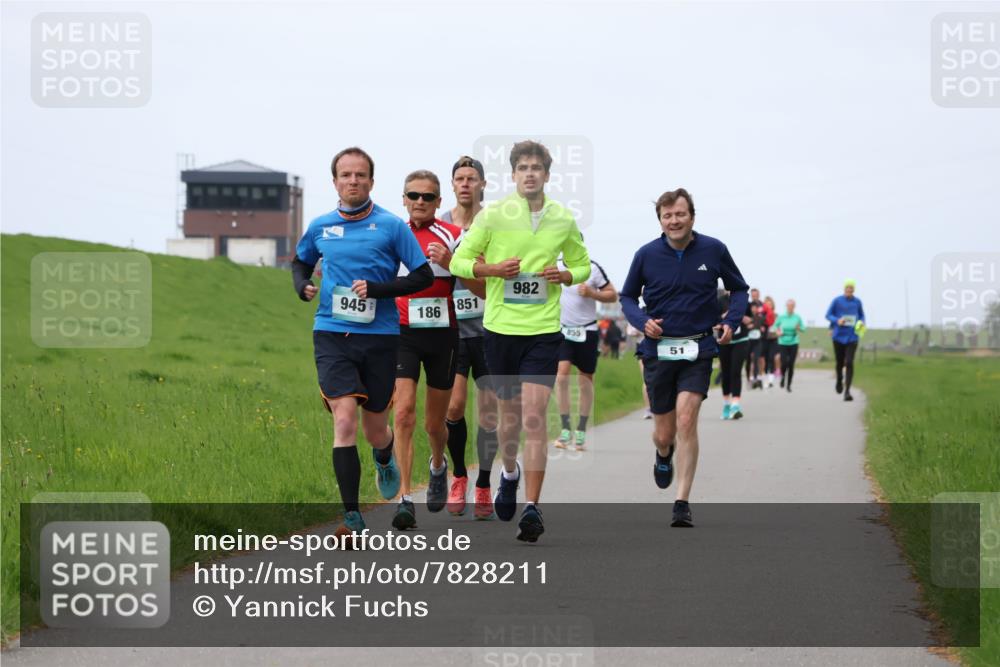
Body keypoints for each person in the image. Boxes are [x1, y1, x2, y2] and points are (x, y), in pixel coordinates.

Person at [450, 140, 591, 542]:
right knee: (509, 421)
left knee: (533, 417)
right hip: (500, 331)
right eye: (523, 167)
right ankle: (508, 472)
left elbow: (581, 264)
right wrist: (492, 268)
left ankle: (532, 507)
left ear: (547, 174)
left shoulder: (563, 219)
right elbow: (460, 262)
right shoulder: (493, 215)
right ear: (513, 175)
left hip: (544, 332)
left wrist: (566, 276)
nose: (530, 173)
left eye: (537, 168)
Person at [291, 147, 433, 538]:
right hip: (332, 332)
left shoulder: (390, 226)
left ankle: (384, 456)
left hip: (381, 338)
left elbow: (421, 277)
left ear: (371, 181)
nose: (353, 181)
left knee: (375, 430)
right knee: (344, 419)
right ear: (335, 181)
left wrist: (379, 289)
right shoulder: (320, 226)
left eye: (360, 175)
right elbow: (300, 260)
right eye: (346, 175)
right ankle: (352, 516)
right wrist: (302, 284)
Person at [621, 187, 748, 528]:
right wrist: (641, 321)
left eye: (680, 214)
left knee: (687, 418)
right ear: (660, 221)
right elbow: (628, 297)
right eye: (668, 216)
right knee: (664, 434)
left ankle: (682, 501)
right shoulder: (646, 255)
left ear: (692, 216)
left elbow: (739, 289)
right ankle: (664, 455)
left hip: (699, 348)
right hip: (658, 351)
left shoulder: (714, 249)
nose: (674, 221)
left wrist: (730, 322)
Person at [389, 170, 463, 530]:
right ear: (403, 198)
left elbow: (479, 285)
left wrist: (451, 263)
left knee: (435, 423)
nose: (420, 202)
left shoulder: (454, 235)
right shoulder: (393, 233)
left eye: (428, 197)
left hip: (441, 335)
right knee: (403, 413)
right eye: (413, 195)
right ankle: (405, 498)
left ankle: (438, 464)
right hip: (402, 333)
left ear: (439, 202)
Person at [441, 156, 498, 520]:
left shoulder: (495, 223)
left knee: (489, 414)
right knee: (454, 407)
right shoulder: (441, 224)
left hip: (490, 329)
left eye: (471, 178)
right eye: (459, 178)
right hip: (452, 330)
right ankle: (460, 475)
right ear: (453, 185)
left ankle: (485, 483)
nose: (465, 184)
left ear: (482, 184)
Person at [554, 257, 617, 451]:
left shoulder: (593, 267)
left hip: (587, 330)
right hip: (562, 329)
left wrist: (592, 293)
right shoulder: (554, 265)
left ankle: (581, 430)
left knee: (585, 380)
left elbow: (612, 295)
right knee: (561, 376)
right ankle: (565, 429)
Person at [825, 280, 866, 401]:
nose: (849, 290)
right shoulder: (837, 301)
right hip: (838, 336)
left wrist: (862, 322)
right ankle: (839, 379)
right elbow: (828, 315)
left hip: (852, 336)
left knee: (849, 362)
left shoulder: (857, 302)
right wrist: (837, 320)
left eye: (851, 288)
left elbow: (862, 315)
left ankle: (847, 391)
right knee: (839, 362)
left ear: (854, 290)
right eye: (847, 288)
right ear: (844, 289)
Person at [717, 289, 752, 419]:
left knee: (736, 371)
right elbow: (714, 319)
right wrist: (726, 315)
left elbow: (750, 321)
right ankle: (726, 404)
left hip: (741, 340)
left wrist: (740, 316)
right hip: (724, 340)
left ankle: (735, 405)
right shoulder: (720, 301)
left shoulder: (744, 302)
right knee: (726, 372)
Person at [775, 299, 806, 392]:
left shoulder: (797, 317)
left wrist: (799, 328)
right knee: (784, 363)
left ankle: (788, 385)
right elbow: (775, 326)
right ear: (786, 306)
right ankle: (783, 378)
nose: (790, 308)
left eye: (792, 306)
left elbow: (804, 329)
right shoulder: (782, 316)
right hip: (783, 341)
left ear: (794, 307)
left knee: (791, 364)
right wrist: (778, 332)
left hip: (794, 341)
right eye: (788, 306)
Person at [745, 288, 764, 389]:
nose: (754, 297)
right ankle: (749, 378)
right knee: (748, 360)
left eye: (756, 295)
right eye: (753, 295)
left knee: (757, 359)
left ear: (759, 295)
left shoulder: (762, 306)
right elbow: (743, 320)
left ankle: (757, 379)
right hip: (748, 339)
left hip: (759, 338)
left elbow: (763, 320)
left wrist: (754, 323)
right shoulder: (747, 306)